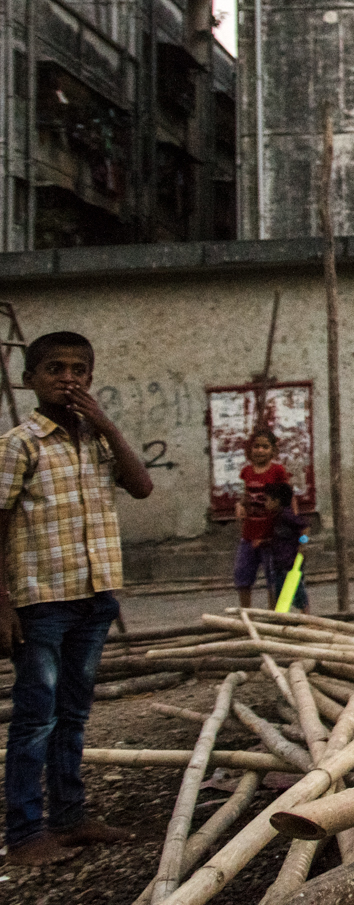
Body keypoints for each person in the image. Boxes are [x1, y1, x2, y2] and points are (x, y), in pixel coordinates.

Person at [1, 331, 152, 865]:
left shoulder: (98, 440)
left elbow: (141, 487)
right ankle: (24, 834)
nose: (68, 378)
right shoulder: (20, 444)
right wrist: (3, 603)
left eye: (79, 370)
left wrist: (106, 422)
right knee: (35, 716)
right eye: (55, 369)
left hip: (95, 596)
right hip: (42, 601)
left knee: (73, 713)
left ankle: (70, 816)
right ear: (29, 381)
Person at [233, 428, 289, 610]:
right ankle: (246, 613)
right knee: (242, 575)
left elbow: (286, 498)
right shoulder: (247, 472)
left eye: (265, 447)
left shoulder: (277, 471)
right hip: (249, 534)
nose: (260, 450)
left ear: (273, 450)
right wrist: (240, 505)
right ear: (250, 450)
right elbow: (245, 495)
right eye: (256, 446)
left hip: (270, 536)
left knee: (272, 579)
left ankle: (273, 616)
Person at [263, 480, 310, 612]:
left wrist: (303, 544)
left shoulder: (287, 515)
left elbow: (305, 527)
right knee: (282, 595)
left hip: (290, 562)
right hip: (280, 563)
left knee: (298, 591)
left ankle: (307, 618)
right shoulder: (277, 517)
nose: (265, 504)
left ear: (276, 501)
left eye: (267, 500)